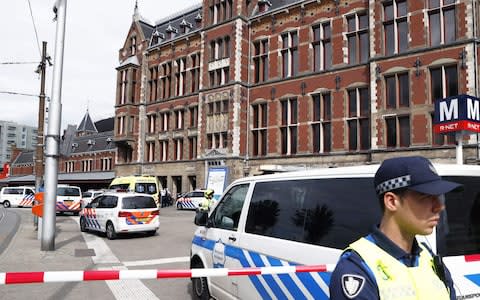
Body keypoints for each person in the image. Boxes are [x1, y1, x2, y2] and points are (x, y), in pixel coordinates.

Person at [329, 156, 460, 300]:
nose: (439, 207)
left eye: (439, 197)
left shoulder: (429, 259)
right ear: (391, 201)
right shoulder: (358, 267)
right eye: (426, 197)